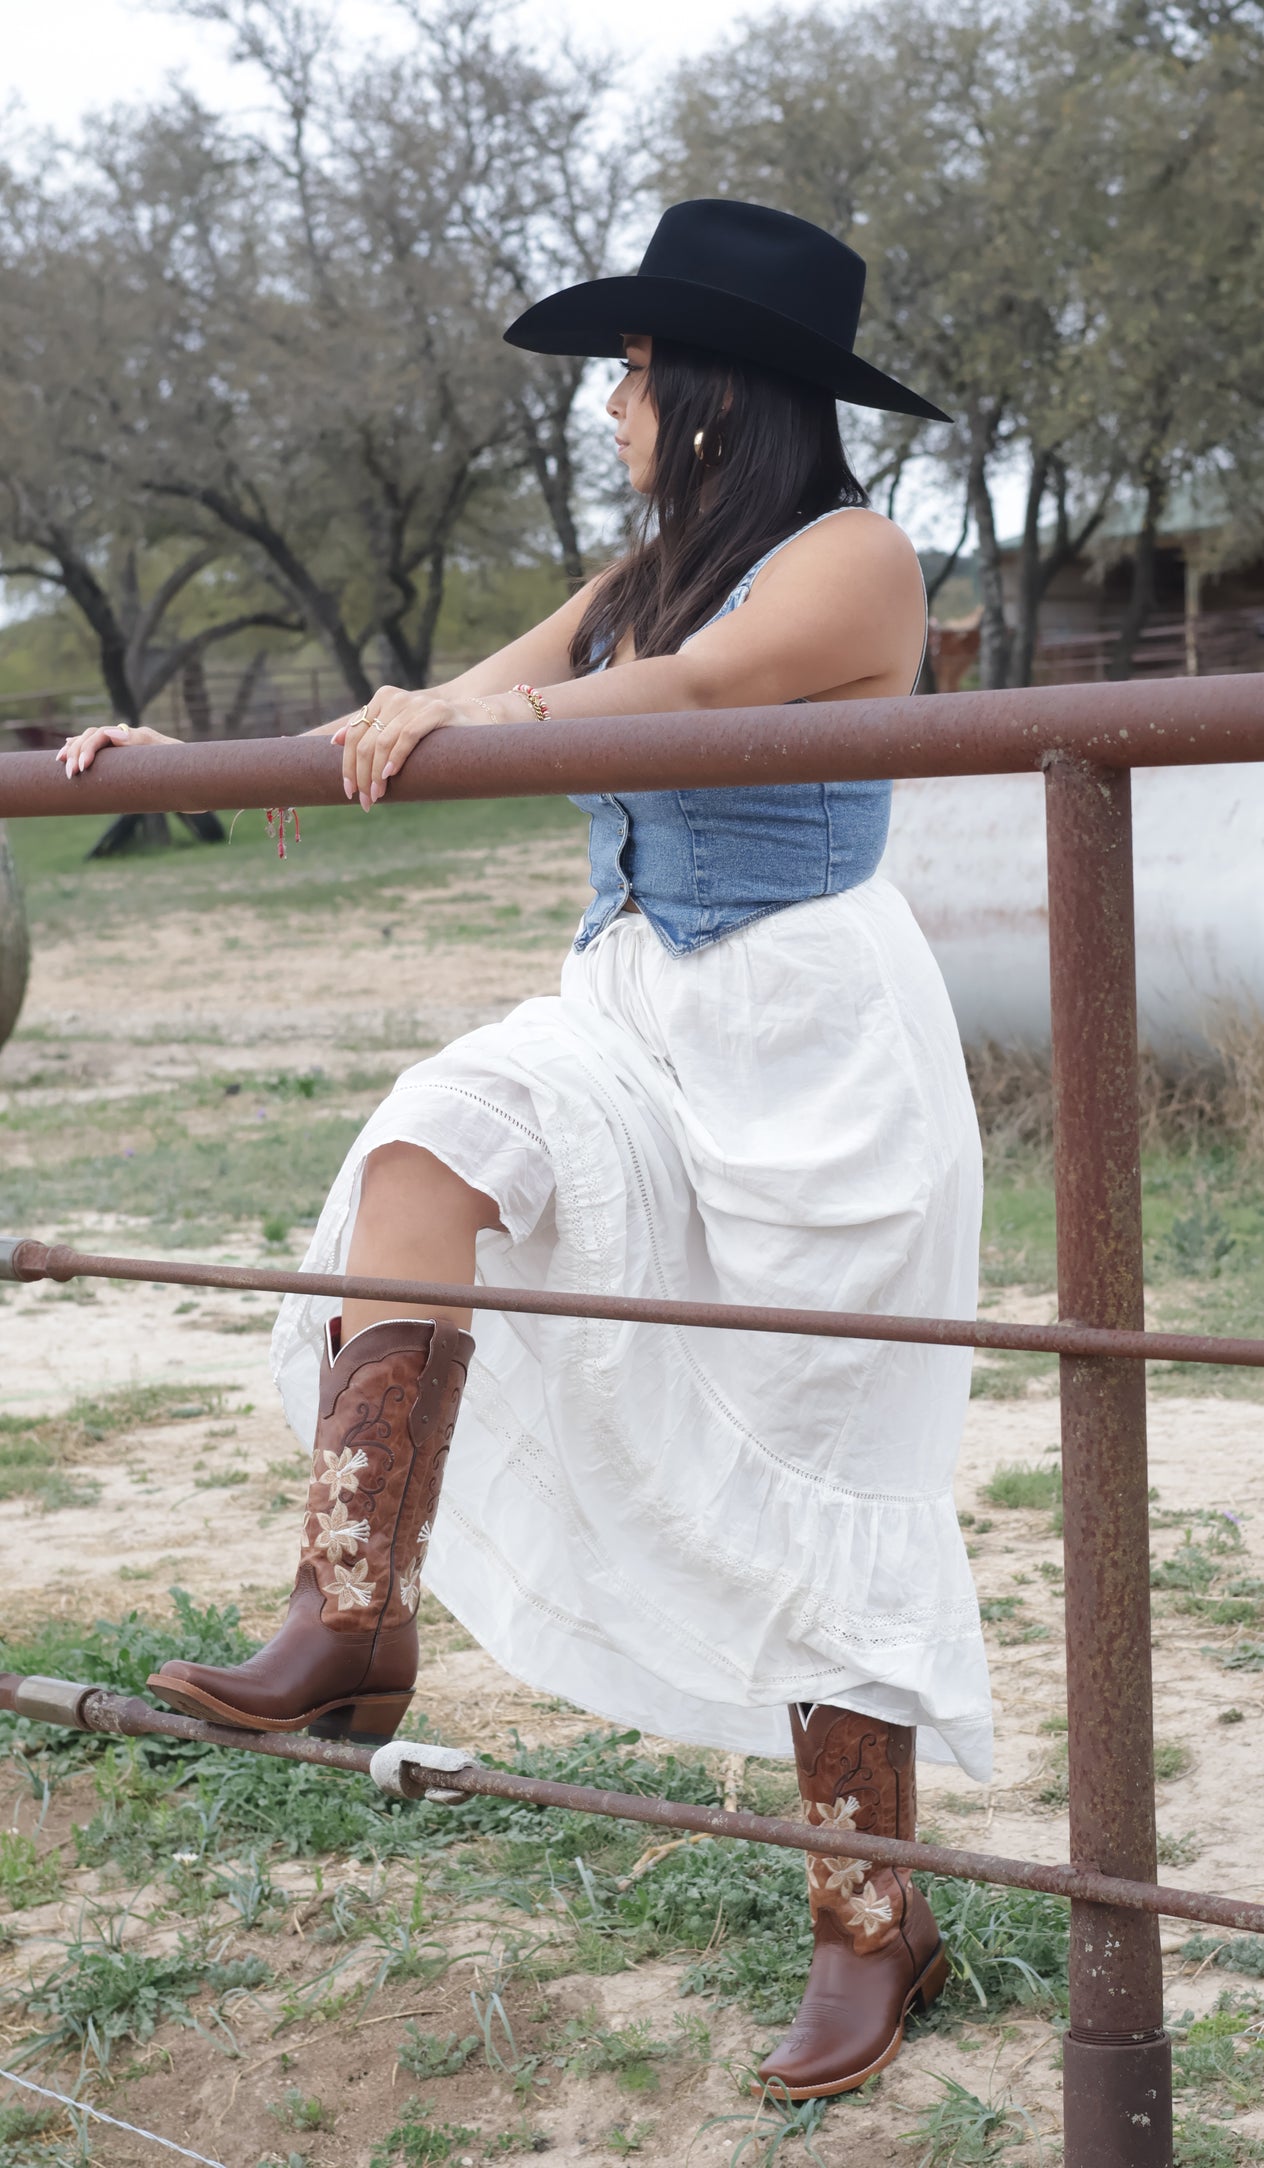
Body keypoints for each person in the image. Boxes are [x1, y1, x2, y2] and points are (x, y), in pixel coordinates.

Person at [57, 198, 992, 2102]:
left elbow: (694, 697)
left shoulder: (856, 559)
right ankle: (351, 1608)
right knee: (438, 1129)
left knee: (823, 1444)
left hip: (814, 1047)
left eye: (636, 376)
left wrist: (508, 708)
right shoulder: (630, 573)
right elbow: (439, 710)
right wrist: (165, 764)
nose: (615, 409)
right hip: (635, 1010)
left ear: (726, 389)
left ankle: (871, 1927)